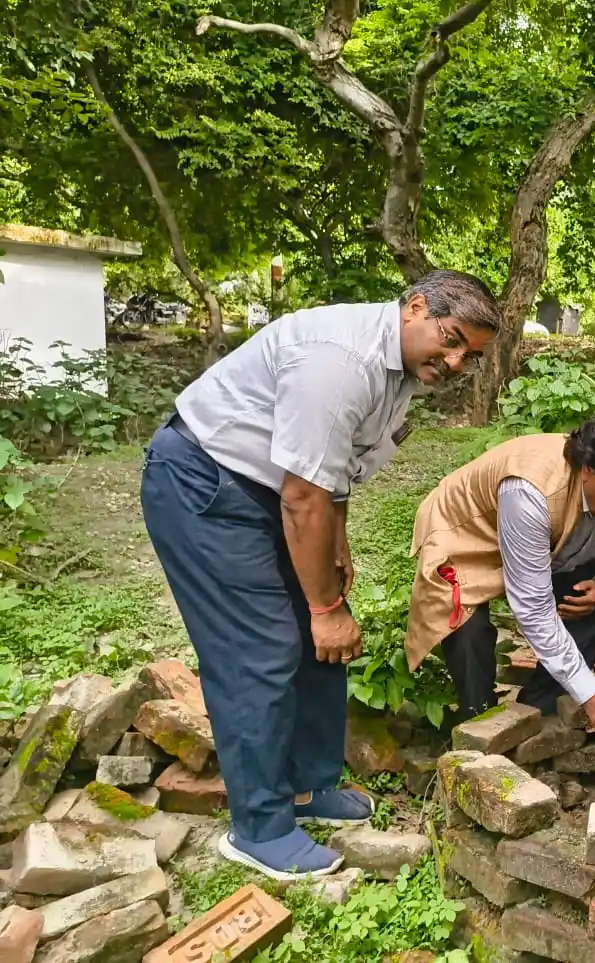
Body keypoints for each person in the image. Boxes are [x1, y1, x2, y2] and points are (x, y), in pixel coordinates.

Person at [141, 271, 500, 881]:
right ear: (415, 308)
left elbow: (334, 470)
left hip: (280, 491)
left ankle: (308, 786)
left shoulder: (403, 373)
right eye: (452, 338)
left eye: (472, 354)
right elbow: (305, 489)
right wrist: (325, 607)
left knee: (322, 645)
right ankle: (258, 827)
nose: (458, 360)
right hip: (207, 486)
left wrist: (336, 547)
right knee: (260, 649)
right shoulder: (339, 363)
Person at [404, 410, 595, 762]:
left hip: (553, 543)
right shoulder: (529, 492)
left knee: (592, 601)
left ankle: (538, 711)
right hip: (468, 536)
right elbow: (533, 608)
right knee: (466, 628)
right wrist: (594, 698)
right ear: (588, 470)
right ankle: (478, 726)